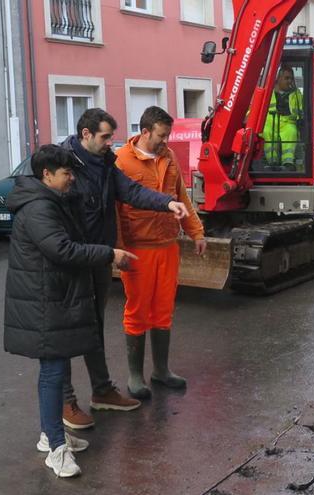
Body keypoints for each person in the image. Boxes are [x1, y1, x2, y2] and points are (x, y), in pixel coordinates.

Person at [3, 144, 138, 477]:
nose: (71, 179)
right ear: (46, 175)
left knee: (56, 368)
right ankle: (56, 450)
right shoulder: (38, 208)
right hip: (44, 302)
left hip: (51, 297)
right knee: (52, 372)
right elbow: (61, 249)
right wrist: (109, 254)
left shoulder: (51, 201)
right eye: (66, 174)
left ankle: (50, 434)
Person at [59, 108, 189, 429]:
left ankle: (102, 391)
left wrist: (165, 202)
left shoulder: (105, 163)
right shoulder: (63, 165)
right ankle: (64, 402)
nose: (110, 143)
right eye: (105, 137)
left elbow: (131, 191)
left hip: (100, 256)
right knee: (62, 332)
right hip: (72, 259)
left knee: (95, 326)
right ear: (86, 134)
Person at [114, 106, 206, 398]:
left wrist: (196, 231)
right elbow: (114, 209)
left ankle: (161, 370)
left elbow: (181, 197)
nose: (166, 141)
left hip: (167, 245)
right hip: (137, 247)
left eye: (168, 135)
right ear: (144, 132)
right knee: (137, 310)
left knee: (163, 310)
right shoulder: (121, 161)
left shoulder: (169, 157)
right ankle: (135, 376)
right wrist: (116, 250)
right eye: (162, 135)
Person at [262, 66, 304, 170]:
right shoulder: (266, 91)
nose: (290, 81)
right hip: (270, 122)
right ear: (278, 78)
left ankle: (288, 163)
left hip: (288, 122)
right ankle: (272, 162)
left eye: (291, 78)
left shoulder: (296, 94)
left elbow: (302, 110)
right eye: (287, 78)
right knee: (267, 132)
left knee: (291, 132)